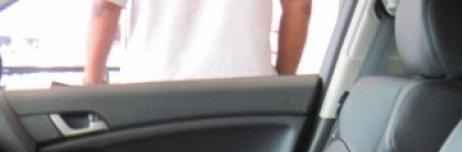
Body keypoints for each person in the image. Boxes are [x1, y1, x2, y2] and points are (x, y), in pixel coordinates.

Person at [84, 0, 312, 85]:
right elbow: (300, 6)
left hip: (150, 90)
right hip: (246, 91)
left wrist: (91, 86)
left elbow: (104, 9)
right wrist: (283, 82)